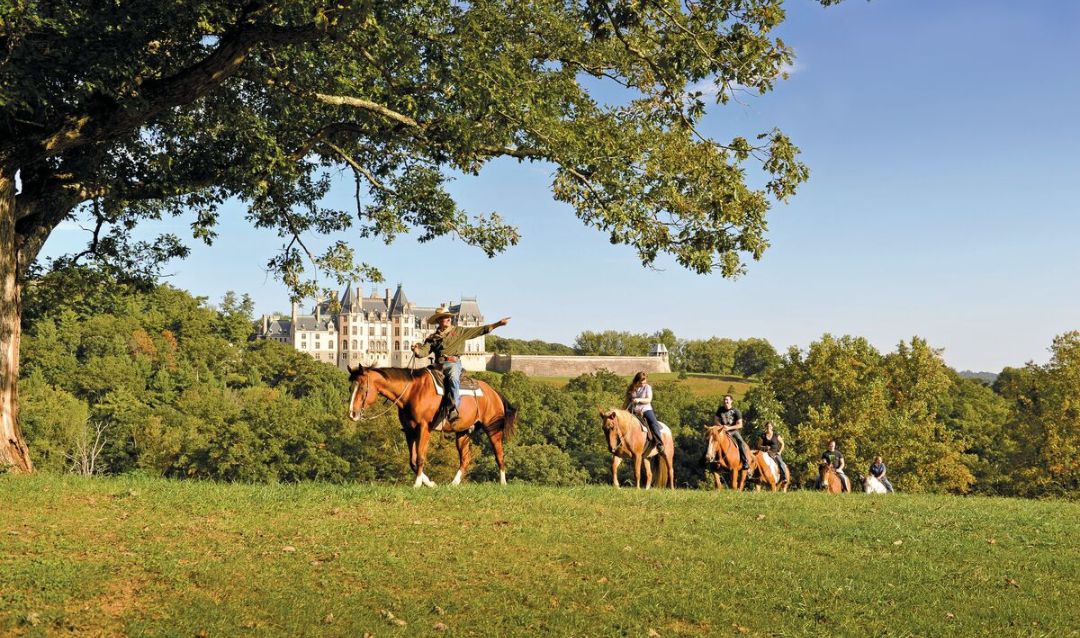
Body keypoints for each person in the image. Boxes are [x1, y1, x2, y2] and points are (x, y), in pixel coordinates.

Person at [412, 306, 509, 429]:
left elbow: (480, 330)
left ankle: (453, 408)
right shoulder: (432, 338)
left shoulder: (459, 332)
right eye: (443, 318)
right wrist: (416, 351)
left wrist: (498, 324)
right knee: (423, 380)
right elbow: (423, 352)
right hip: (437, 365)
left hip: (453, 364)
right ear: (439, 321)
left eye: (448, 317)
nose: (447, 319)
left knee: (452, 378)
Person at [625, 371, 665, 455]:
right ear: (637, 381)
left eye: (644, 381)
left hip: (645, 410)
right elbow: (626, 401)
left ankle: (659, 443)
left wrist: (638, 400)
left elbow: (648, 399)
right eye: (641, 382)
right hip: (633, 411)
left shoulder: (648, 387)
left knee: (653, 423)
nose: (643, 383)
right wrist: (623, 411)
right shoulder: (631, 388)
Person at [714, 394, 750, 470]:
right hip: (722, 430)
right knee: (712, 440)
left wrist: (729, 427)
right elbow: (716, 420)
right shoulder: (720, 409)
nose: (725, 401)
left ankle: (745, 462)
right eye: (724, 400)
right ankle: (711, 459)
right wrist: (721, 426)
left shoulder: (736, 411)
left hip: (734, 431)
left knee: (741, 442)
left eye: (727, 400)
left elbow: (740, 425)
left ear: (731, 401)